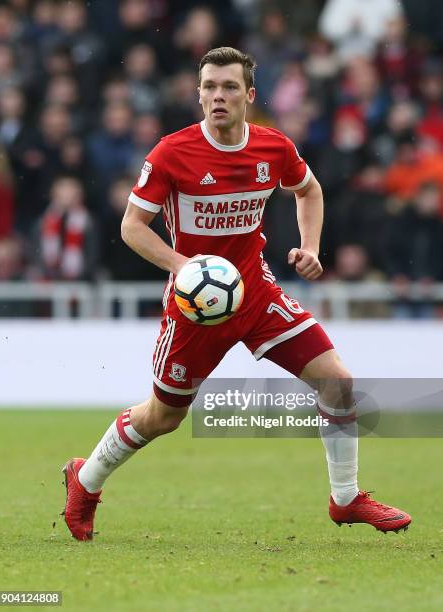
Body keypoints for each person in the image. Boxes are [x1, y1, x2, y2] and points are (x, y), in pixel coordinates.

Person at [62, 47, 411, 540]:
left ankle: (347, 498)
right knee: (163, 416)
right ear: (198, 94)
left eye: (228, 87)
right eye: (208, 87)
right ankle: (87, 479)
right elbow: (132, 227)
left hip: (255, 293)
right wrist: (184, 267)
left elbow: (308, 191)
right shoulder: (172, 152)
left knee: (338, 381)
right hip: (195, 309)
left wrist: (310, 246)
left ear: (249, 95)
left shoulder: (273, 148)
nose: (217, 96)